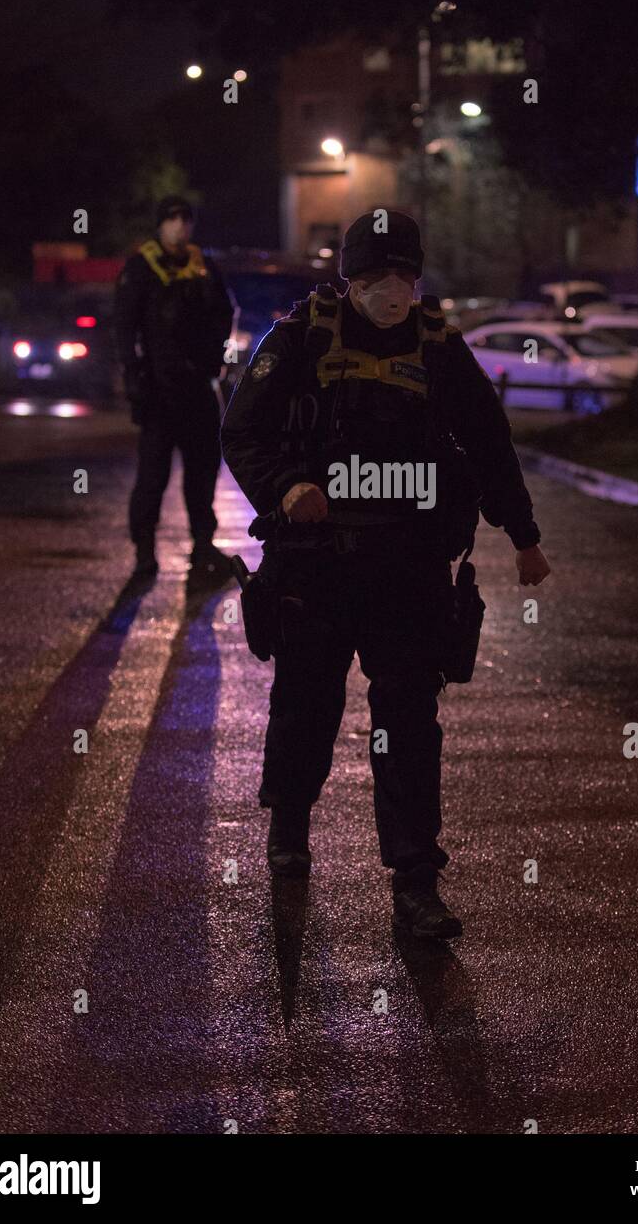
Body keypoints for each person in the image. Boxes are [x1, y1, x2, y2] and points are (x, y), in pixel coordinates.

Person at [221, 211, 550, 938]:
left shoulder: (437, 347)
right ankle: (289, 831)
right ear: (349, 279)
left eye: (401, 276)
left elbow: (490, 445)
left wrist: (523, 536)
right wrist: (285, 488)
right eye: (374, 277)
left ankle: (416, 881)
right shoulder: (302, 338)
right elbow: (241, 429)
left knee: (407, 724)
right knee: (306, 705)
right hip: (318, 566)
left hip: (409, 571)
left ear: (418, 279)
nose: (389, 290)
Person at [115, 195, 234, 583]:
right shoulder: (141, 268)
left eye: (186, 218)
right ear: (160, 224)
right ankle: (144, 555)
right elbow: (124, 329)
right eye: (173, 218)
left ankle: (202, 546)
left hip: (198, 388)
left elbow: (224, 312)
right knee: (152, 477)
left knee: (202, 474)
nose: (181, 225)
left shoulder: (203, 267)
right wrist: (135, 377)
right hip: (159, 393)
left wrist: (213, 357)